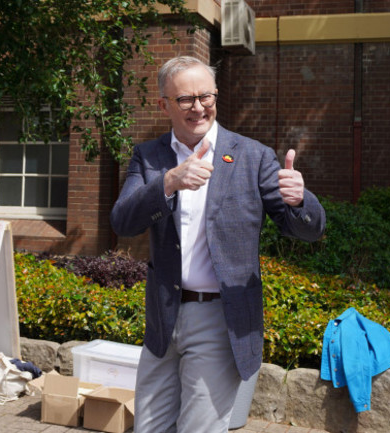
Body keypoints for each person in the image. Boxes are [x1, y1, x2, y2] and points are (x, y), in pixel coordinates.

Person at [110, 55, 326, 433]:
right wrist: (168, 183)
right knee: (149, 427)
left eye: (206, 96)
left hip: (219, 318)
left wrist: (299, 201)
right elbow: (123, 221)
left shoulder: (253, 157)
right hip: (164, 316)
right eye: (185, 100)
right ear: (164, 105)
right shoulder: (149, 157)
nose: (199, 107)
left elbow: (307, 230)